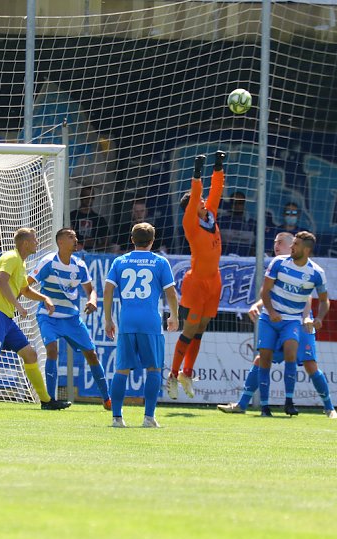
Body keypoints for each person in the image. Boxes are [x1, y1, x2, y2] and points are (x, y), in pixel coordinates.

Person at [218, 231, 337, 418]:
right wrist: (258, 306)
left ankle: (329, 407)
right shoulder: (279, 264)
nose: (277, 246)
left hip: (300, 322)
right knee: (261, 360)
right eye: (275, 242)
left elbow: (307, 298)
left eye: (281, 242)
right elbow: (270, 292)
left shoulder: (312, 271)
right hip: (278, 319)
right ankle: (243, 404)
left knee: (310, 364)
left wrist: (308, 318)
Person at [0, 227, 71, 410]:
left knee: (30, 354)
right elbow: (1, 282)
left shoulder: (21, 262)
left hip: (6, 318)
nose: (37, 242)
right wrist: (18, 306)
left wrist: (44, 298)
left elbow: (25, 290)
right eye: (34, 240)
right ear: (25, 243)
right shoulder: (10, 257)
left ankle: (46, 401)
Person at [104, 222, 179, 428]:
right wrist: (174, 315)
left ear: (132, 240)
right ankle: (149, 418)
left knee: (121, 370)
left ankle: (117, 418)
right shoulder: (160, 262)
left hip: (127, 321)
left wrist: (108, 319)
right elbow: (171, 292)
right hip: (150, 322)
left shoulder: (120, 261)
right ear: (152, 241)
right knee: (154, 369)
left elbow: (108, 290)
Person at [27, 227, 111, 410]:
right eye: (71, 237)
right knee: (52, 350)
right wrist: (43, 299)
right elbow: (26, 285)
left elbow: (91, 290)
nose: (75, 239)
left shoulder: (79, 265)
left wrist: (92, 300)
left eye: (75, 236)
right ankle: (50, 401)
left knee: (91, 354)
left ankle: (107, 399)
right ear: (60, 242)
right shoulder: (48, 262)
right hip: (48, 316)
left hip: (72, 318)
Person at [167, 152, 225, 399]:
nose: (202, 201)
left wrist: (218, 167)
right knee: (189, 330)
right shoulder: (190, 224)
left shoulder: (210, 215)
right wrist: (197, 173)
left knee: (201, 328)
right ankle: (172, 376)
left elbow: (217, 191)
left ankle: (187, 373)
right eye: (198, 199)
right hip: (196, 283)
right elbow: (196, 195)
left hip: (214, 281)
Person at [70, 186, 109, 252]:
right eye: (86, 197)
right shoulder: (72, 216)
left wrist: (94, 246)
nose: (89, 200)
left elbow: (106, 243)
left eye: (91, 197)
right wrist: (78, 245)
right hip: (75, 252)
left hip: (93, 254)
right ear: (81, 197)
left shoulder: (99, 219)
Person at [219, 190, 256, 256]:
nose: (237, 205)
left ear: (244, 204)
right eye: (234, 202)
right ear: (230, 204)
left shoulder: (253, 224)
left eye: (240, 203)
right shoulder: (221, 221)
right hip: (225, 259)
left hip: (246, 260)